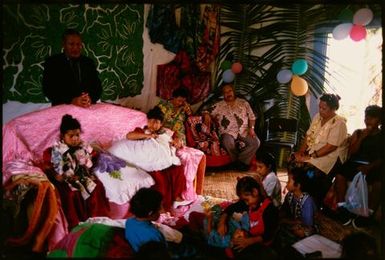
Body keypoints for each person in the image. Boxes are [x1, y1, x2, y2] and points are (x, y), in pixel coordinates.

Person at [108, 106, 191, 210]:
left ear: (161, 124)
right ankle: (160, 207)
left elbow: (176, 142)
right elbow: (129, 136)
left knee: (177, 168)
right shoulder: (142, 131)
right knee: (159, 176)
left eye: (156, 122)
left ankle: (177, 199)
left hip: (163, 160)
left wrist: (177, 143)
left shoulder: (165, 133)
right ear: (147, 121)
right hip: (146, 162)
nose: (153, 124)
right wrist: (148, 136)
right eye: (151, 121)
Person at [42, 114, 109, 230]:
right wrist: (58, 176)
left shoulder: (83, 147)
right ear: (63, 136)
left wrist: (87, 171)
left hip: (79, 176)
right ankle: (77, 225)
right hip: (64, 179)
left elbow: (86, 163)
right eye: (71, 136)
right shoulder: (56, 151)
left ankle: (98, 219)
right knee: (73, 194)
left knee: (97, 186)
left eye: (77, 135)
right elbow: (54, 170)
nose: (75, 139)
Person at [291, 93, 349, 206]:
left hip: (331, 156)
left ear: (333, 109)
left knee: (309, 170)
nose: (321, 110)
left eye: (324, 108)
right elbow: (308, 136)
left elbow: (331, 147)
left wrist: (309, 157)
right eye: (320, 107)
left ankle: (312, 203)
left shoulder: (339, 123)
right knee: (293, 161)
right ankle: (297, 198)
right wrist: (301, 152)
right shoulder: (318, 117)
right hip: (315, 152)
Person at [201, 176, 279, 259]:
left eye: (246, 199)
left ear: (255, 192)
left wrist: (248, 241)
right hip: (246, 235)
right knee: (219, 221)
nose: (246, 203)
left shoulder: (269, 209)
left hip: (261, 243)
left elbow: (269, 235)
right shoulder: (250, 203)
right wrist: (222, 222)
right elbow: (231, 208)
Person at [334, 105, 383, 227]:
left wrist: (369, 167)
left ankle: (367, 215)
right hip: (355, 163)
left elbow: (382, 158)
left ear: (380, 120)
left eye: (372, 118)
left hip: (373, 165)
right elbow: (351, 152)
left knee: (378, 184)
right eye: (367, 117)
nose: (368, 120)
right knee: (340, 175)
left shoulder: (382, 136)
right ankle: (342, 208)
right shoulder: (359, 132)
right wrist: (361, 138)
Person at [203, 83, 260, 171]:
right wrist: (206, 114)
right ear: (223, 95)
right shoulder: (219, 105)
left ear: (233, 91)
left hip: (244, 130)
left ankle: (241, 162)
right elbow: (206, 111)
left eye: (229, 91)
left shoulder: (243, 103)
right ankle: (237, 164)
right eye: (225, 92)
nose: (228, 94)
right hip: (227, 132)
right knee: (228, 142)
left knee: (256, 142)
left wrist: (251, 129)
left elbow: (252, 117)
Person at [42, 29, 102, 107]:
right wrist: (72, 100)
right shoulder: (52, 62)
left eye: (78, 44)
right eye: (71, 44)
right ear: (63, 45)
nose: (75, 48)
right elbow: (49, 90)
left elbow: (97, 88)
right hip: (62, 109)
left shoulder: (88, 62)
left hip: (87, 108)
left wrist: (90, 98)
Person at [276, 166, 318, 250]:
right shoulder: (290, 195)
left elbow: (308, 226)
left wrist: (286, 221)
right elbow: (284, 211)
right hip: (295, 223)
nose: (287, 183)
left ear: (297, 185)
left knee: (299, 234)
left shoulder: (307, 201)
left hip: (308, 228)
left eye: (289, 181)